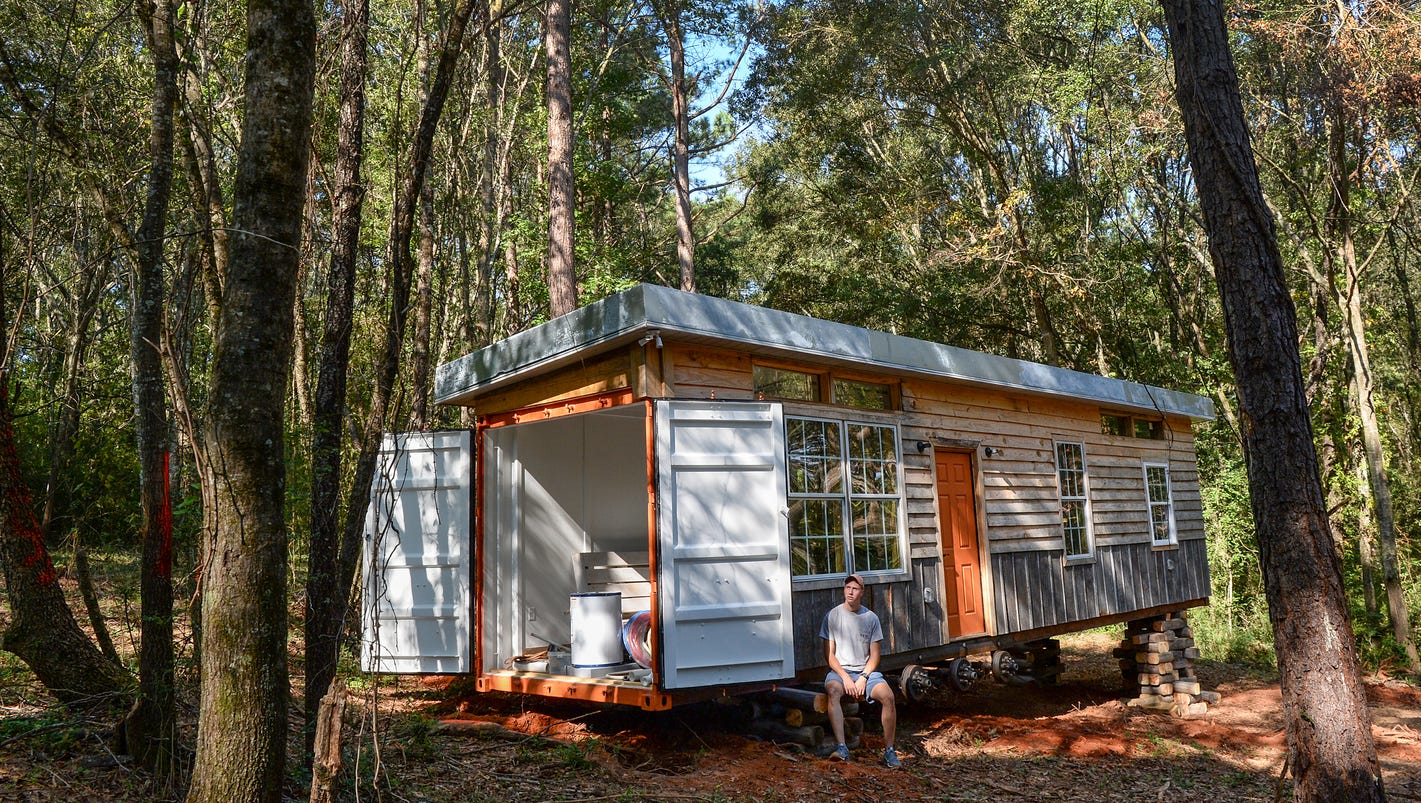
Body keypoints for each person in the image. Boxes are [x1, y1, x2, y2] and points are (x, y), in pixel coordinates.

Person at [820, 573, 900, 768]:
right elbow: (829, 656)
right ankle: (842, 747)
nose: (850, 592)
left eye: (855, 589)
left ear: (862, 592)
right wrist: (846, 678)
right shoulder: (832, 616)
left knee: (888, 696)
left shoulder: (870, 618)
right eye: (847, 588)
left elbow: (875, 656)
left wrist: (864, 677)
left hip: (866, 672)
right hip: (840, 672)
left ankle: (889, 751)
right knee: (832, 691)